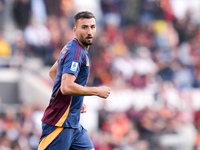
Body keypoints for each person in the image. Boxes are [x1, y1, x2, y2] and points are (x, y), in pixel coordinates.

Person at [38, 11, 111, 150]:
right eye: (84, 27)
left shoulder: (73, 47)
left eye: (92, 27)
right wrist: (96, 91)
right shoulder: (75, 52)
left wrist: (77, 97)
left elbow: (53, 72)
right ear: (75, 30)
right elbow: (66, 87)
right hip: (59, 123)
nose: (89, 31)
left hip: (73, 123)